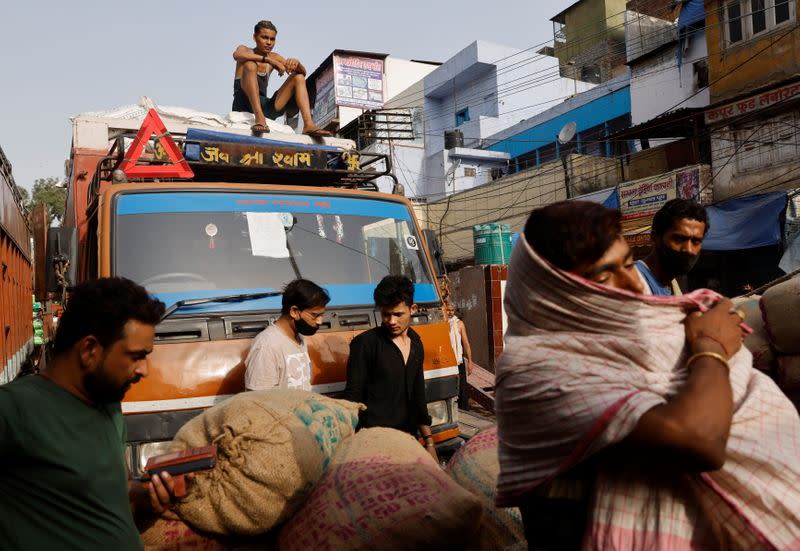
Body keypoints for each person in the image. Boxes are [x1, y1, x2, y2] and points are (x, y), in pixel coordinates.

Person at [496, 200, 800, 550]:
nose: (630, 284)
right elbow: (700, 442)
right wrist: (711, 345)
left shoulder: (618, 332)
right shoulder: (535, 370)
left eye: (627, 264)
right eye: (604, 275)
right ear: (553, 292)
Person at [0, 278, 180, 551]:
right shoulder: (13, 409)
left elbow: (120, 492)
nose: (145, 370)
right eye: (136, 356)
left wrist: (145, 497)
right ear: (89, 350)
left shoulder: (108, 403)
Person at [344, 276, 438, 462]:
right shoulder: (365, 344)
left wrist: (429, 442)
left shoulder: (417, 343)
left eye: (398, 314)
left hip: (408, 440)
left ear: (413, 309)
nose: (391, 321)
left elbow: (419, 394)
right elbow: (352, 398)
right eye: (386, 314)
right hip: (374, 444)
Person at [232, 20, 331, 137]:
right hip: (243, 103)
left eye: (272, 39)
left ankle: (308, 124)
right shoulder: (245, 50)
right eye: (264, 38)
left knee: (298, 77)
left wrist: (297, 64)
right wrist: (269, 60)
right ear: (254, 37)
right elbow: (237, 55)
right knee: (250, 65)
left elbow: (302, 73)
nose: (269, 42)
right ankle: (259, 117)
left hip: (265, 106)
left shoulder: (275, 57)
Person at [244, 279, 329, 391]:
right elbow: (258, 402)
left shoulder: (300, 337)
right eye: (315, 315)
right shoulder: (267, 346)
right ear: (294, 311)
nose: (320, 321)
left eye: (322, 315)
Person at [637, 198, 709, 296]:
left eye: (696, 242)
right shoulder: (635, 281)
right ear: (655, 237)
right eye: (679, 239)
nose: (688, 249)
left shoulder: (671, 283)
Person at [445, 302, 473, 411]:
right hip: (447, 360)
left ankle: (464, 409)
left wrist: (470, 361)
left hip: (458, 359)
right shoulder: (442, 323)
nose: (450, 312)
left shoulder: (459, 324)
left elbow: (466, 343)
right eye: (448, 310)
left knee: (462, 387)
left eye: (452, 310)